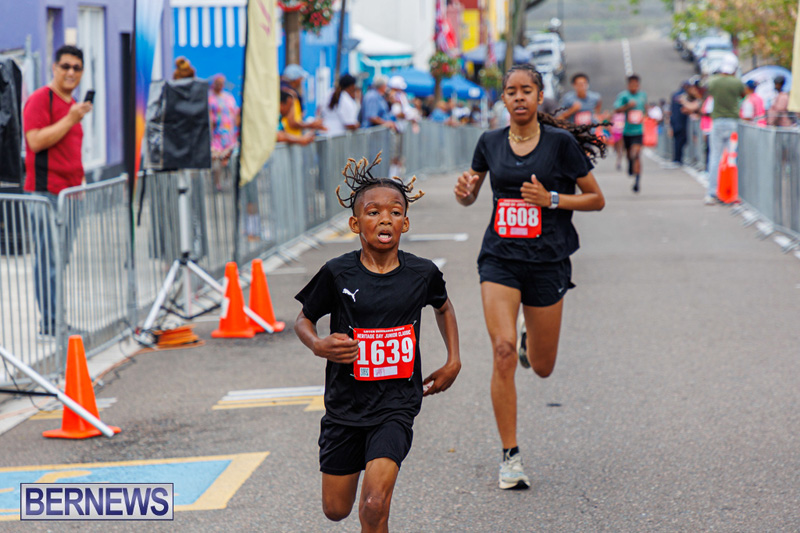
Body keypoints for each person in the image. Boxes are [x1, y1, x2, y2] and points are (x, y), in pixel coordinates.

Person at [454, 64, 605, 490]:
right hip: (500, 259)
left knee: (542, 367)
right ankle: (510, 456)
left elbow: (596, 199)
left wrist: (551, 199)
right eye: (511, 91)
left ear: (539, 97)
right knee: (501, 351)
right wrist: (465, 194)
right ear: (503, 99)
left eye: (527, 90)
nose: (519, 97)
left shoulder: (560, 144)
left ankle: (528, 340)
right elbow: (470, 195)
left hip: (547, 260)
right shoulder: (489, 142)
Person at [295, 153, 461, 530]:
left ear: (405, 221)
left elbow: (444, 307)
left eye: (395, 212)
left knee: (373, 503)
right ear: (356, 223)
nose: (385, 219)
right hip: (345, 406)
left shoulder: (422, 273)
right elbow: (304, 319)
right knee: (336, 509)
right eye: (373, 212)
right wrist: (317, 344)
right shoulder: (337, 272)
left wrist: (453, 359)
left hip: (396, 404)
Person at [23, 45, 92, 337]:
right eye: (65, 66)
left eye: (77, 68)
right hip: (46, 194)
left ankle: (57, 319)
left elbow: (70, 150)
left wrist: (80, 182)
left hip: (71, 195)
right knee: (48, 260)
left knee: (59, 260)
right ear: (54, 68)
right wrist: (70, 119)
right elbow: (35, 141)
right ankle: (51, 324)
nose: (70, 72)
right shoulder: (41, 99)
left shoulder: (72, 104)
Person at [705, 55, 744, 205]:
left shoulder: (714, 81)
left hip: (717, 122)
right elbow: (742, 94)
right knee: (733, 158)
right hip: (733, 122)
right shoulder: (737, 83)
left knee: (715, 157)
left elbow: (707, 91)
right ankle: (733, 192)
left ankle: (712, 193)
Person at [614, 74, 647, 193]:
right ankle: (630, 162)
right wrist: (628, 106)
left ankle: (637, 181)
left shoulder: (642, 95)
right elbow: (617, 109)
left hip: (638, 131)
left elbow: (644, 108)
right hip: (627, 131)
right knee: (629, 154)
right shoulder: (623, 96)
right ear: (628, 85)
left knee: (637, 153)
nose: (634, 87)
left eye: (636, 84)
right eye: (632, 84)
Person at [208, 74, 240, 192]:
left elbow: (235, 113)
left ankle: (230, 184)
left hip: (229, 135)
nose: (220, 85)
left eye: (222, 83)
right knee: (217, 160)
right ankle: (217, 184)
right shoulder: (210, 98)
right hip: (216, 135)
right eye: (217, 83)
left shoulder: (228, 97)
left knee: (230, 159)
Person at [280, 64, 325, 135]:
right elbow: (292, 123)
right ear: (296, 79)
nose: (301, 81)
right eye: (300, 78)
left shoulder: (284, 92)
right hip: (290, 136)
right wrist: (311, 125)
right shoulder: (290, 95)